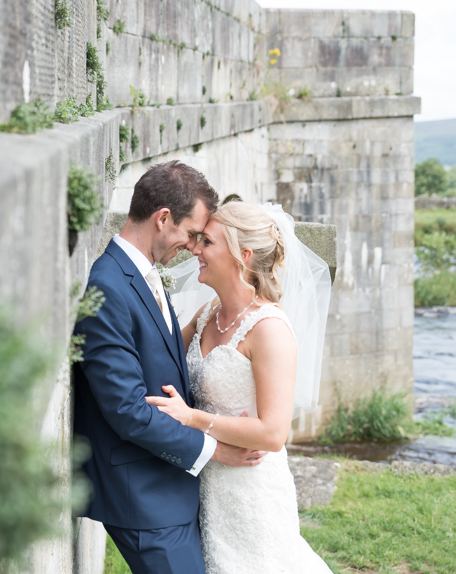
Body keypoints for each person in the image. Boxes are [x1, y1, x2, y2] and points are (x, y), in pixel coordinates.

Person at [73, 162, 267, 574]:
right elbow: (127, 410)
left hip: (172, 489)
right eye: (192, 234)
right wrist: (218, 451)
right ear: (163, 219)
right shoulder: (108, 286)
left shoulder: (145, 274)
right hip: (144, 500)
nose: (195, 247)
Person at [146, 201, 332, 573]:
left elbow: (273, 432)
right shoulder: (208, 313)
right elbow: (159, 360)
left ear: (242, 255)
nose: (195, 250)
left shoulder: (270, 330)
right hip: (208, 480)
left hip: (252, 491)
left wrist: (191, 418)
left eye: (208, 242)